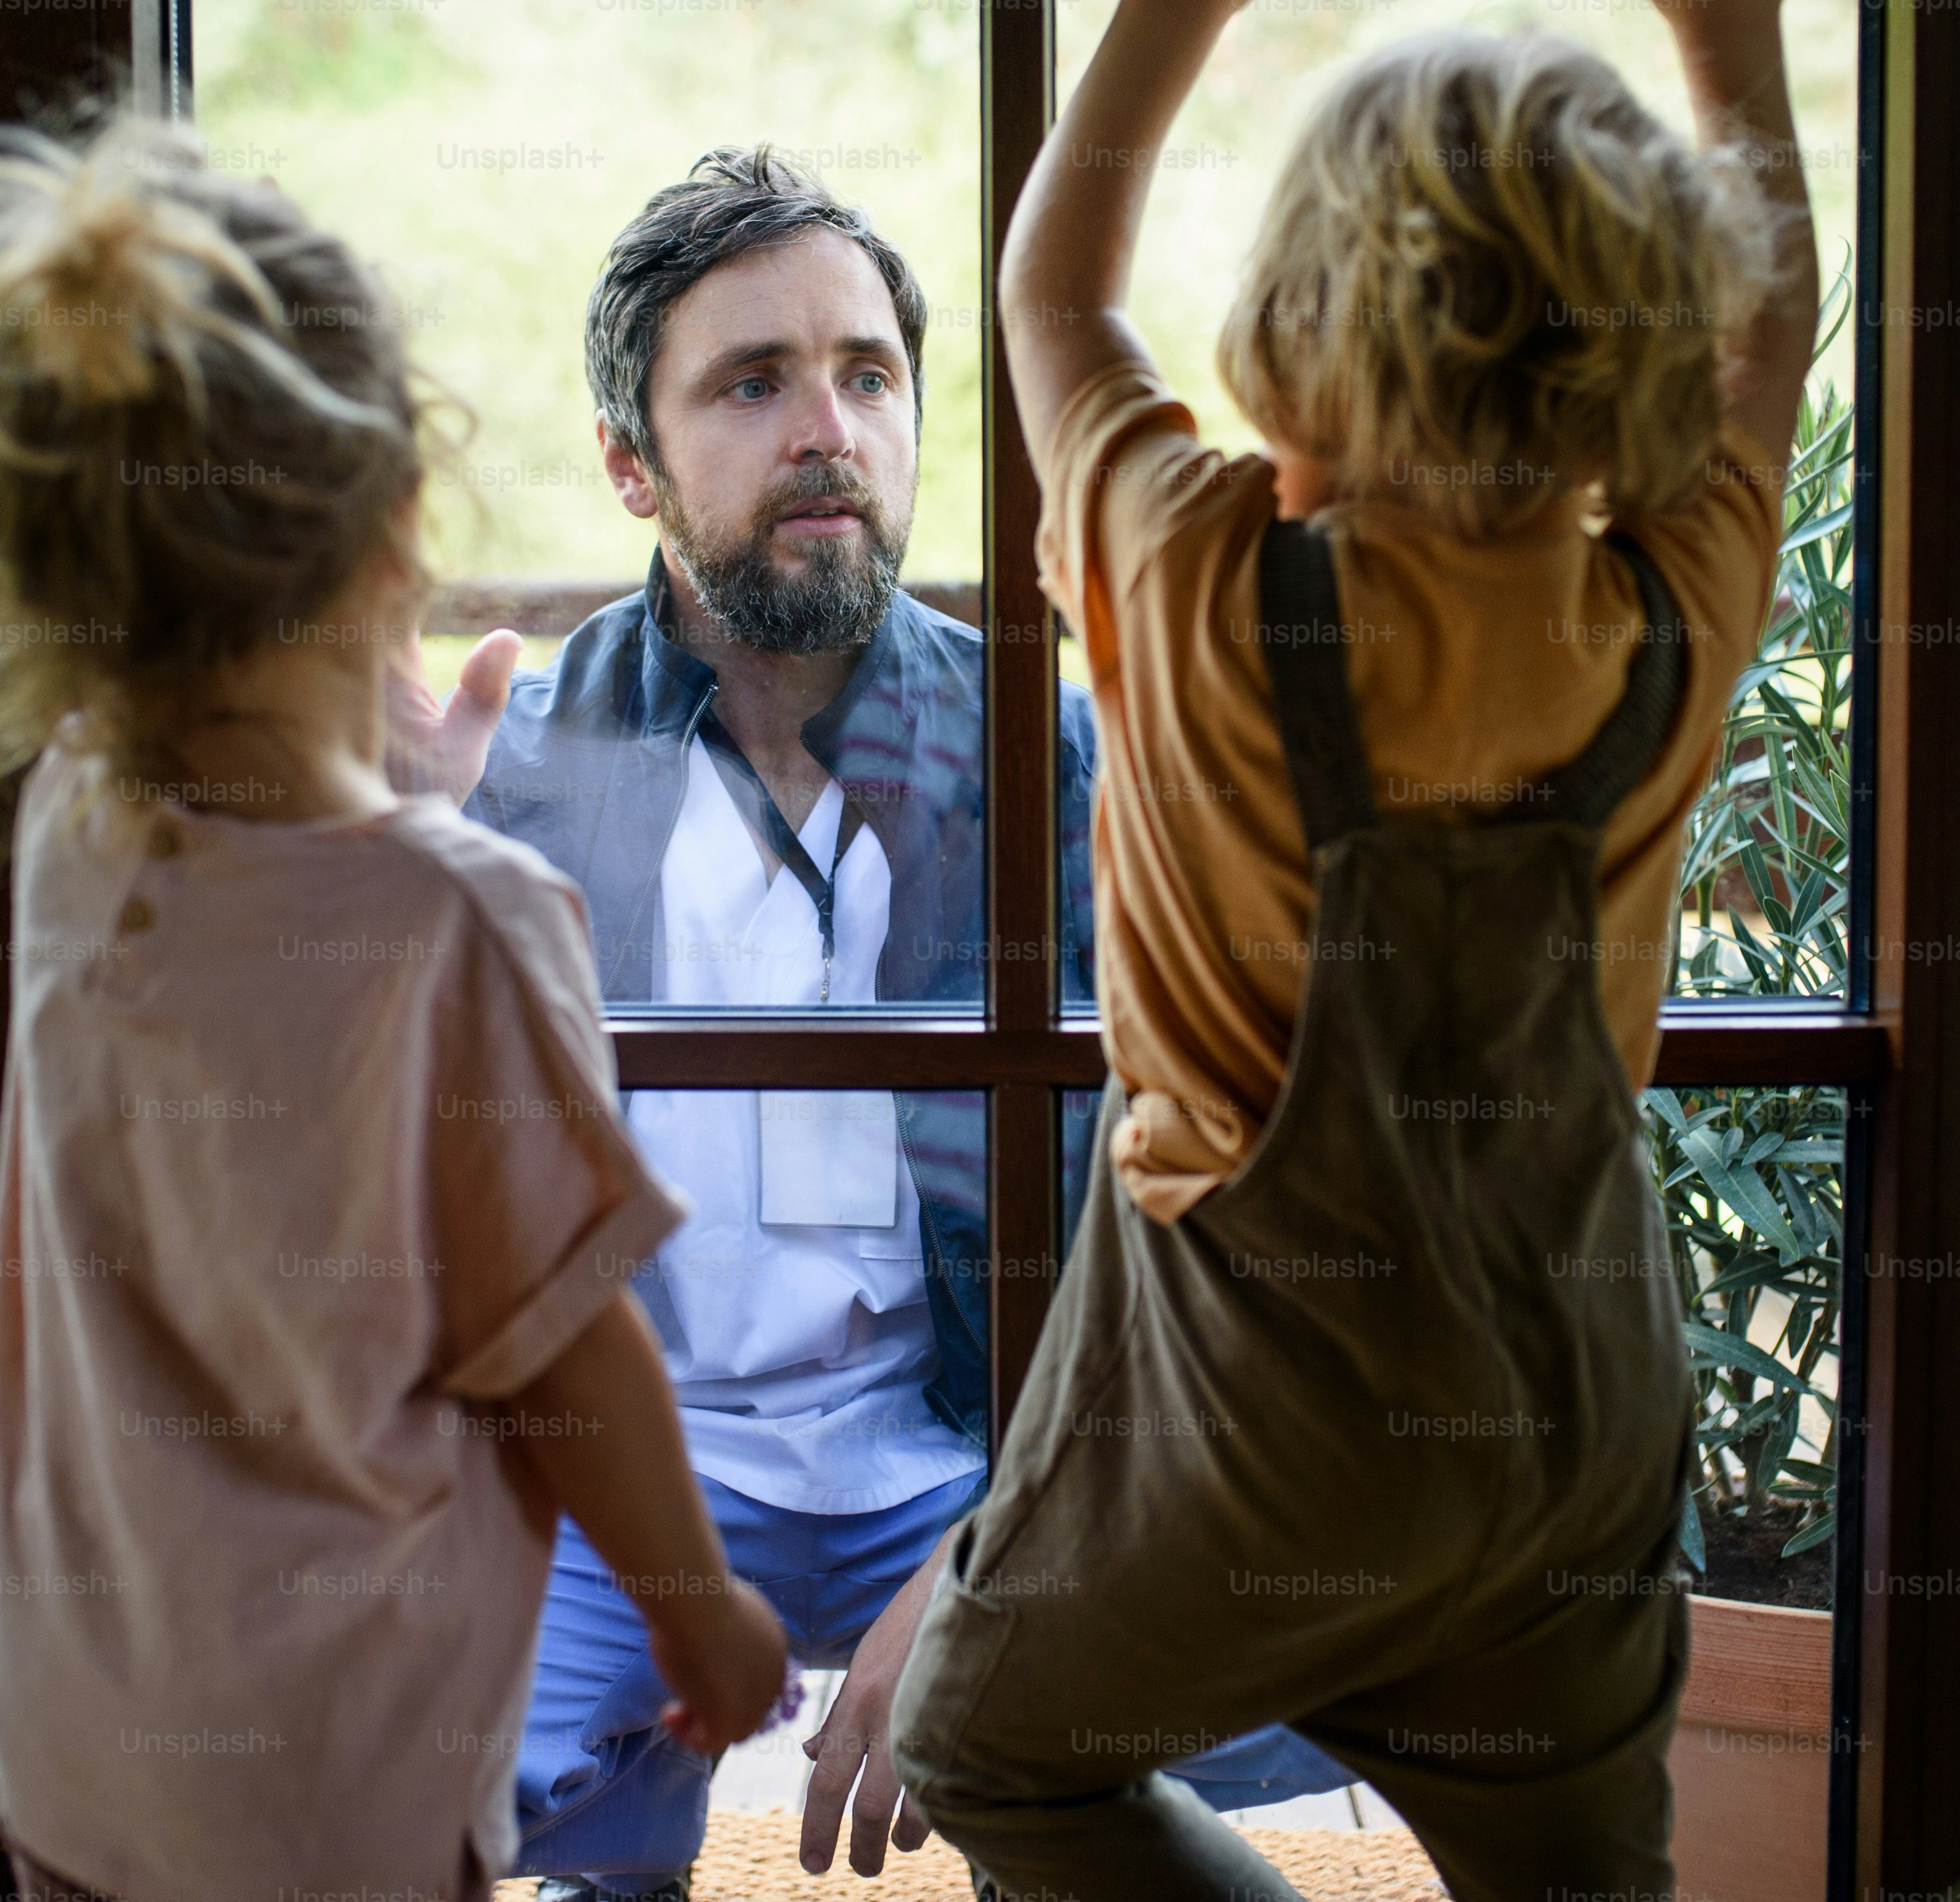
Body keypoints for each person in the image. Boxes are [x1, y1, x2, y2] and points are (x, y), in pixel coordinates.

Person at [891, 0, 1820, 1900]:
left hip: (1256, 1438)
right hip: (1565, 1428)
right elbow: (1771, 339)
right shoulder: (1665, 615)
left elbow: (1052, 292)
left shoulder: (1200, 580)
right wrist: (1732, 30)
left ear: (1297, 326)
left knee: (991, 1753)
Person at [405, 146, 1357, 1897]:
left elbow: (1209, 1230)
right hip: (632, 1482)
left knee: (1304, 1616)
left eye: (868, 376)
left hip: (971, 1465)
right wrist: (367, 877)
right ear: (628, 463)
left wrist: (1001, 1556)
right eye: (751, 384)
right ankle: (618, 1847)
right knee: (404, 1748)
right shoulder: (522, 770)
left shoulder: (1064, 762)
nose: (827, 432)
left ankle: (1044, 1810)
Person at [0, 118, 788, 1902]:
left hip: (77, 1742)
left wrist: (396, 805)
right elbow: (569, 1354)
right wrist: (702, 1612)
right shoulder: (469, 924)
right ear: (395, 529)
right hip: (333, 1778)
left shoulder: (70, 817)